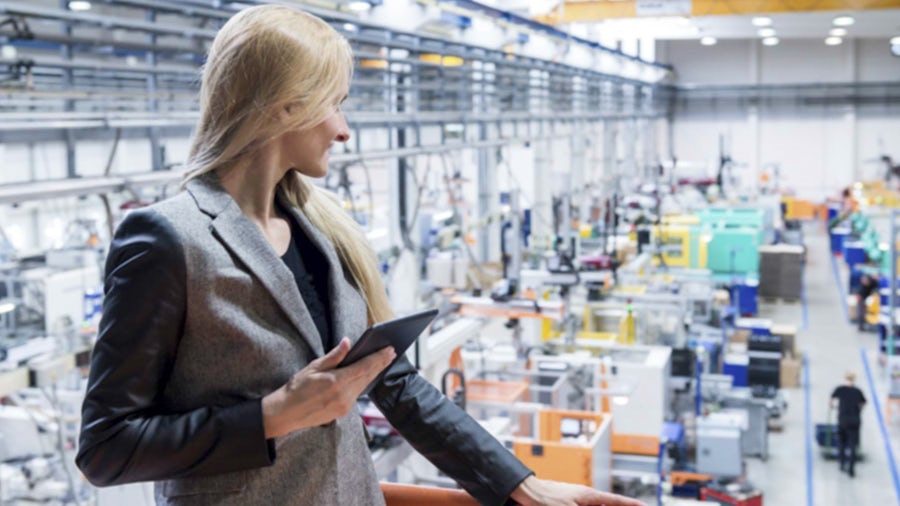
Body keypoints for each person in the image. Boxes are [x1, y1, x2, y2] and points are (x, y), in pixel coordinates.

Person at [74, 5, 643, 506]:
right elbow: (106, 450)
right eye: (336, 104)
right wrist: (272, 417)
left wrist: (523, 485)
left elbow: (391, 382)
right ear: (284, 107)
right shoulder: (167, 239)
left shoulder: (321, 231)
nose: (344, 131)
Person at [830, 371, 867, 477]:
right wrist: (858, 410)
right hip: (855, 421)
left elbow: (831, 399)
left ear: (845, 379)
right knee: (853, 445)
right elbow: (863, 403)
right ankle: (851, 469)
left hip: (843, 420)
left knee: (842, 442)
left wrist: (834, 407)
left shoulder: (840, 389)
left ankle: (842, 464)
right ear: (854, 380)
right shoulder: (858, 391)